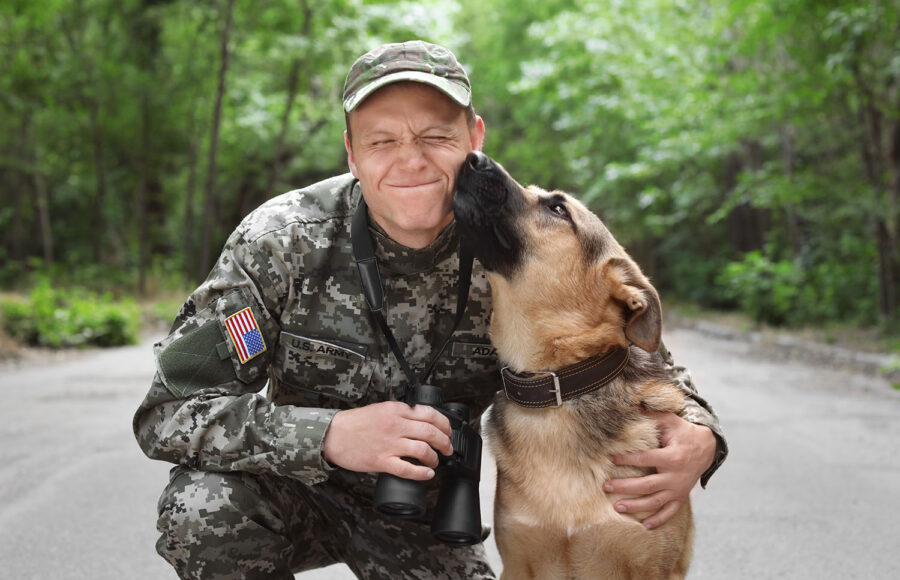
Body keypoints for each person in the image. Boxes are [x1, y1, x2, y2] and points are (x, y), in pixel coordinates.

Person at [133, 40, 728, 580]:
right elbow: (166, 412)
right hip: (297, 488)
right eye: (382, 140)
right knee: (202, 508)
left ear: (474, 139)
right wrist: (330, 435)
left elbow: (637, 355)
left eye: (436, 137)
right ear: (351, 153)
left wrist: (703, 436)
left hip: (429, 517)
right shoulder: (281, 242)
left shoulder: (515, 253)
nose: (410, 161)